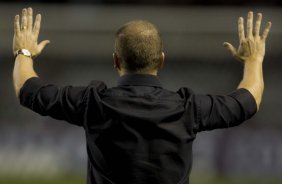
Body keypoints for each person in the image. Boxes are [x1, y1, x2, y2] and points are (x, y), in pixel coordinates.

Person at [13, 7, 271, 184]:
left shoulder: (94, 103)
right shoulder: (187, 108)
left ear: (116, 60)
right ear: (161, 60)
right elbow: (248, 100)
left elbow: (27, 89)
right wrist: (254, 60)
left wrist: (24, 52)